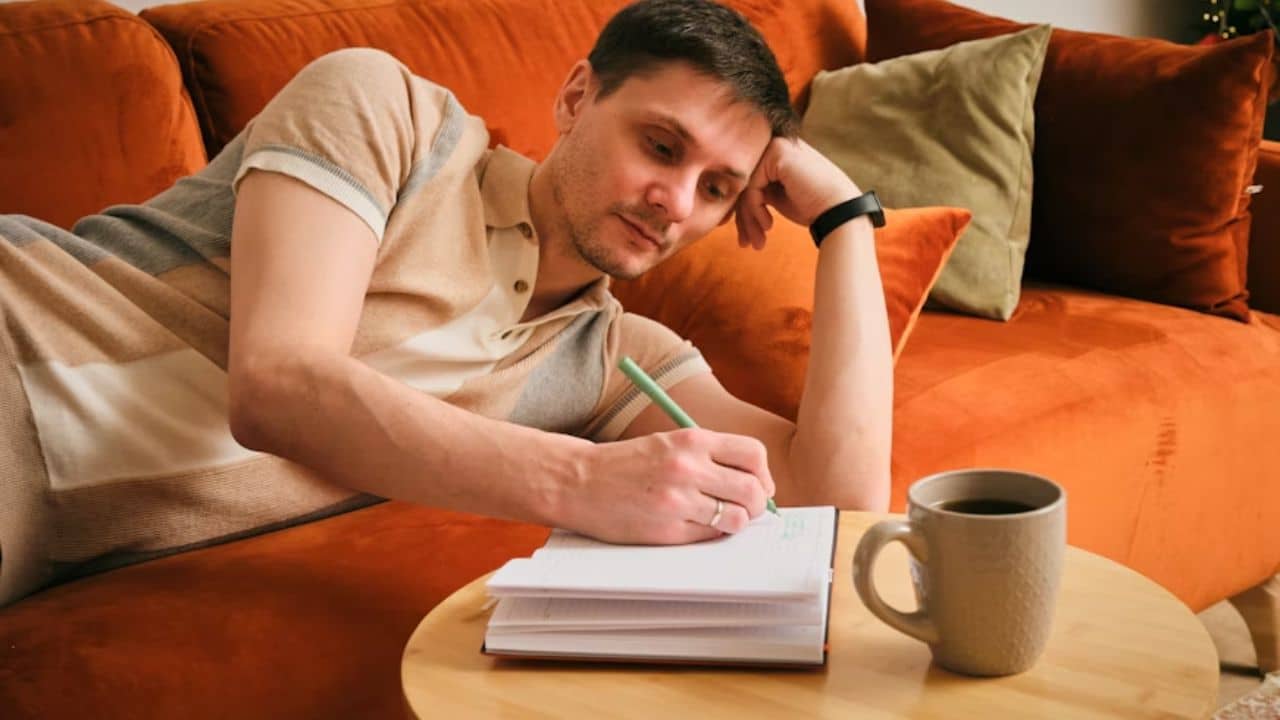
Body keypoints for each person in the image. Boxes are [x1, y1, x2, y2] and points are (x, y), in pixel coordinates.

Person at [0, 0, 891, 607]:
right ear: (576, 97)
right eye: (661, 146)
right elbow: (277, 384)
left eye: (718, 190)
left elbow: (839, 501)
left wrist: (846, 221)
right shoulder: (388, 113)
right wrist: (584, 482)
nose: (676, 201)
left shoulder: (616, 357)